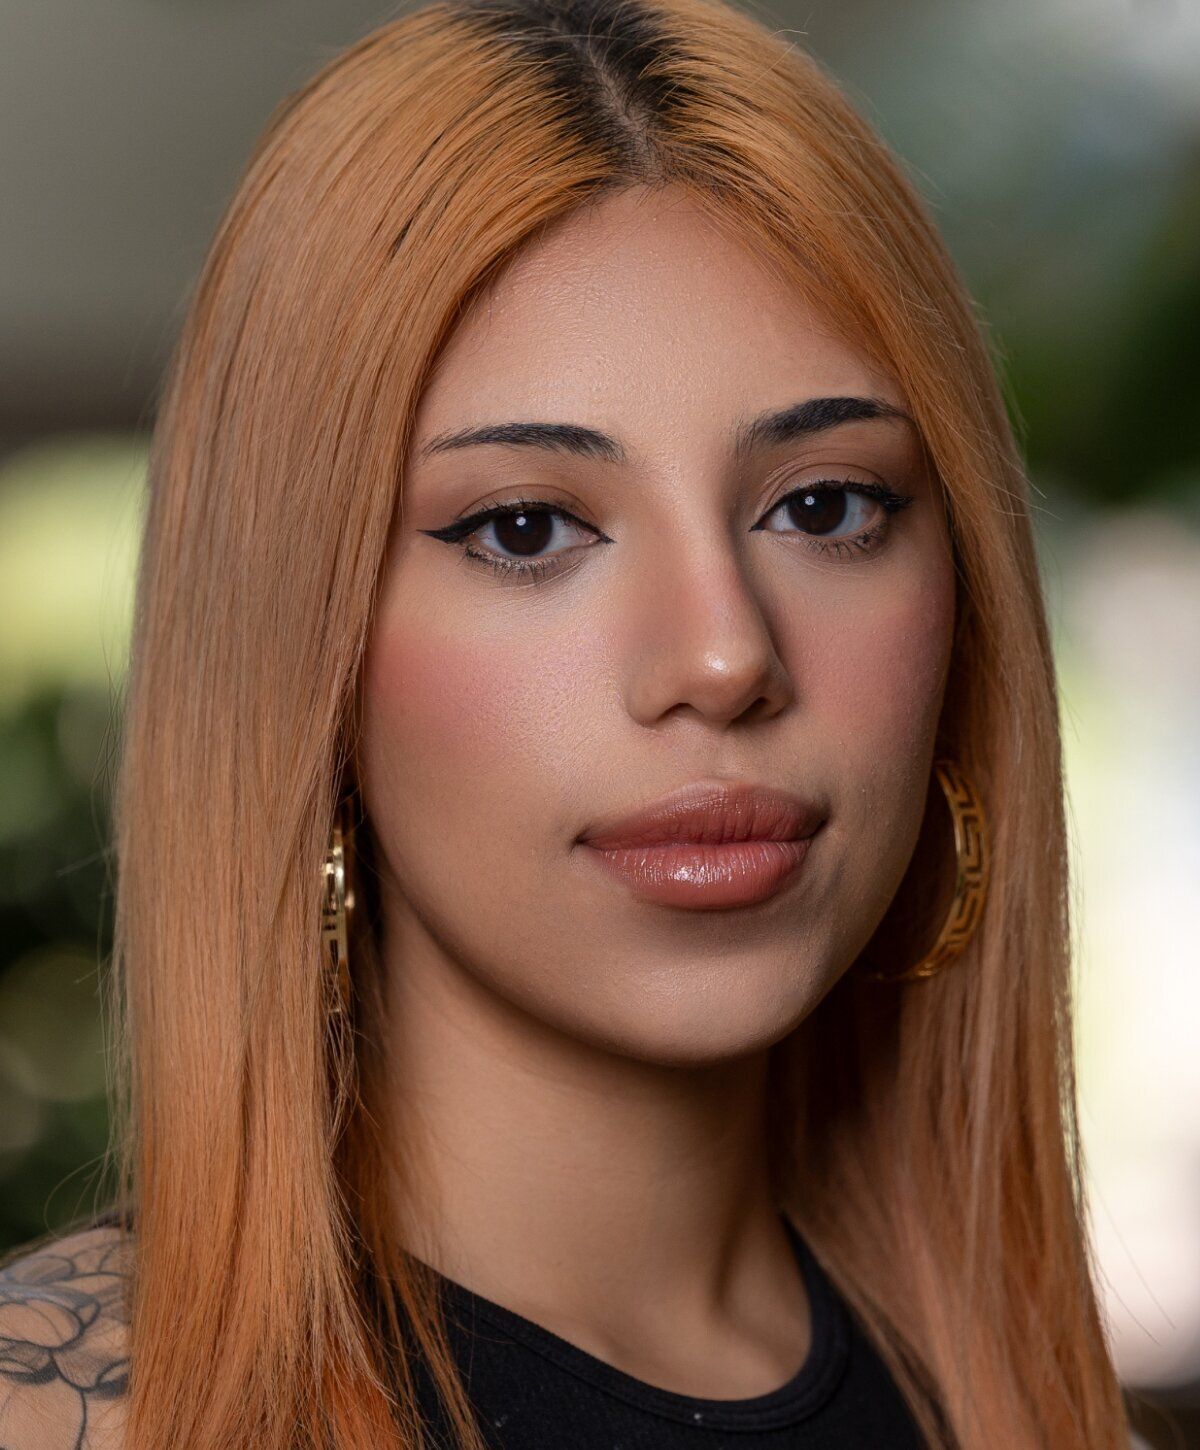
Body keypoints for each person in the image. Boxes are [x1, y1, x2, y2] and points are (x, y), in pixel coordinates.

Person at [0, 0, 1132, 1444]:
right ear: (300, 651)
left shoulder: (1033, 1409)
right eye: (526, 527)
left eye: (823, 505)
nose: (724, 655)